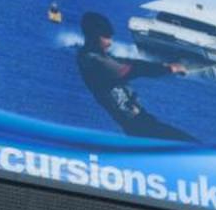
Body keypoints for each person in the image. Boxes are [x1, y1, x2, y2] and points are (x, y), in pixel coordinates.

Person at [75, 11, 192, 141]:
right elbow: (132, 70)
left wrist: (163, 65)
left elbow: (130, 62)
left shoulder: (97, 56)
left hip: (141, 121)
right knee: (189, 144)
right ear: (94, 36)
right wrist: (170, 69)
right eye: (107, 37)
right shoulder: (93, 60)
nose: (110, 42)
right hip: (137, 126)